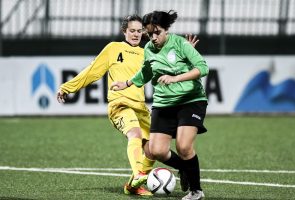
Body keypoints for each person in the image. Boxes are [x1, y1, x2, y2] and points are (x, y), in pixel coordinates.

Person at [56, 14, 199, 196]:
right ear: (124, 31)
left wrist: (186, 57)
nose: (136, 34)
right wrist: (68, 87)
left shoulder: (148, 52)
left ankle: (136, 184)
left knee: (153, 150)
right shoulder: (113, 48)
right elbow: (91, 72)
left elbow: (171, 69)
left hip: (140, 107)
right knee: (135, 133)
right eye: (132, 30)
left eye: (140, 31)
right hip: (120, 105)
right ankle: (139, 174)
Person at [111, 10, 209, 200]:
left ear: (166, 30)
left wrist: (176, 78)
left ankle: (196, 191)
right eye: (149, 33)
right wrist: (127, 83)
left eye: (158, 32)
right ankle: (185, 169)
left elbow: (203, 68)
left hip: (190, 100)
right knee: (156, 150)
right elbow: (146, 72)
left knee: (183, 147)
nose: (153, 37)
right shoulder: (148, 48)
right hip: (163, 104)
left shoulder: (180, 44)